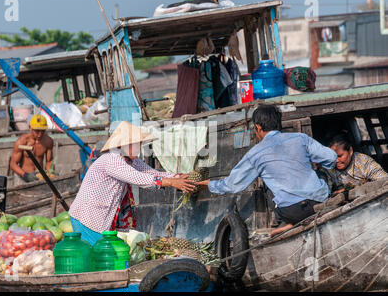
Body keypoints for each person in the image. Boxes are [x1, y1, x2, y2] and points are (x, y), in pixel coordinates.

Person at [197, 104, 337, 237]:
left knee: (266, 187)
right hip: (320, 201)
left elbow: (232, 185)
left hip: (292, 212)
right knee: (321, 174)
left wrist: (207, 184)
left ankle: (289, 223)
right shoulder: (301, 138)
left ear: (258, 127)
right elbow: (331, 158)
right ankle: (292, 222)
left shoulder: (255, 153)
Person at [69, 121, 196, 245]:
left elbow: (152, 173)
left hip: (102, 218)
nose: (139, 148)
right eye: (136, 145)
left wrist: (178, 177)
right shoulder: (112, 160)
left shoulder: (131, 160)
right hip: (88, 218)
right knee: (96, 258)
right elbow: (139, 178)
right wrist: (172, 182)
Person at [10, 114, 54, 185]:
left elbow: (49, 161)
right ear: (30, 127)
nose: (40, 134)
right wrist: (25, 175)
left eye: (42, 131)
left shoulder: (48, 141)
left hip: (39, 177)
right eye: (37, 131)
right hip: (23, 177)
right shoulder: (21, 142)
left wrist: (50, 174)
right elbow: (13, 164)